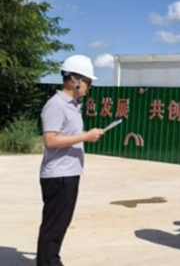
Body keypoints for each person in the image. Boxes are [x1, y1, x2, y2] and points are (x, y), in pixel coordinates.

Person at [37, 54, 105, 266]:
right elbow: (50, 140)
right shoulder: (56, 105)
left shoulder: (72, 105)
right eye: (88, 82)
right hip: (59, 175)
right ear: (74, 80)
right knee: (54, 225)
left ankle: (49, 260)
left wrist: (86, 135)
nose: (89, 87)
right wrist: (85, 137)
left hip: (69, 172)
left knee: (59, 224)